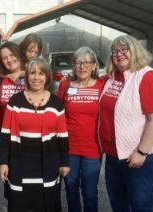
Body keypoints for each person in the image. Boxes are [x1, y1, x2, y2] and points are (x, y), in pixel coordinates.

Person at [98, 35, 153, 212]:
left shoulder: (148, 77)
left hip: (138, 156)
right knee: (119, 204)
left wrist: (141, 151)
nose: (119, 54)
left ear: (135, 51)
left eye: (124, 49)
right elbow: (83, 77)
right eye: (115, 51)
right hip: (113, 155)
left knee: (140, 205)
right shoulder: (110, 78)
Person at [0, 57, 70, 212]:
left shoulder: (56, 103)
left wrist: (65, 162)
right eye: (32, 73)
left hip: (48, 163)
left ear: (47, 76)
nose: (36, 77)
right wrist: (3, 162)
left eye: (41, 73)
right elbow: (5, 133)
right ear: (27, 76)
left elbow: (62, 136)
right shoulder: (15, 101)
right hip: (19, 163)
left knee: (47, 204)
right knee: (19, 204)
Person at [58, 47, 104, 212]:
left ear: (94, 66)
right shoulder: (65, 85)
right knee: (71, 188)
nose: (82, 66)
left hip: (93, 148)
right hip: (69, 147)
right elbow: (59, 115)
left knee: (90, 192)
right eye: (78, 62)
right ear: (73, 65)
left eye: (87, 62)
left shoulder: (101, 85)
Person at [0, 41, 25, 119]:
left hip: (29, 129)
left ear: (19, 54)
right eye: (4, 58)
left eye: (12, 55)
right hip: (5, 128)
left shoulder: (32, 77)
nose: (9, 60)